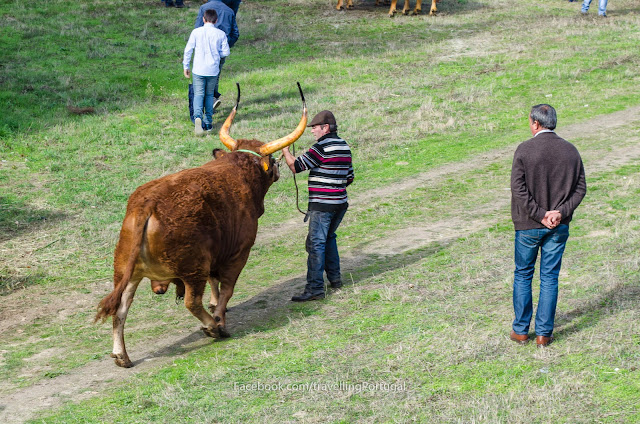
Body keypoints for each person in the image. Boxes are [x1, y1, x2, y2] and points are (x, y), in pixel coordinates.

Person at [509, 104, 586, 347]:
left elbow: (518, 189)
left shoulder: (524, 150)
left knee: (523, 274)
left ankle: (521, 331)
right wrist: (559, 213)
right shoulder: (571, 151)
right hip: (558, 227)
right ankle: (544, 334)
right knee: (549, 277)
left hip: (528, 225)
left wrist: (540, 215)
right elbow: (580, 188)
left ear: (535, 123)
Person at [282, 111, 355, 302]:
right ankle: (335, 280)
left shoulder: (321, 147)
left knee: (316, 245)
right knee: (329, 239)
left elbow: (296, 167)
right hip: (340, 204)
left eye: (315, 127)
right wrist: (334, 186)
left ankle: (315, 289)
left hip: (322, 206)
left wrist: (286, 152)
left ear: (326, 128)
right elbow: (350, 177)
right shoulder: (344, 145)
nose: (313, 131)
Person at [183, 9, 230, 136]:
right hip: (213, 70)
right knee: (209, 95)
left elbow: (188, 50)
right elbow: (226, 52)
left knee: (198, 94)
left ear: (203, 19)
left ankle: (197, 117)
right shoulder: (220, 34)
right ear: (216, 20)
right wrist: (217, 55)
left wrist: (185, 65)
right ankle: (208, 123)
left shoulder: (196, 32)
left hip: (198, 69)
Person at [192, 0, 240, 110]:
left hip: (204, 50)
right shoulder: (229, 11)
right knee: (215, 75)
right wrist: (226, 45)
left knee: (200, 76)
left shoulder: (204, 7)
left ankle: (206, 103)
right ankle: (211, 100)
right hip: (219, 51)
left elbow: (197, 29)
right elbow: (235, 33)